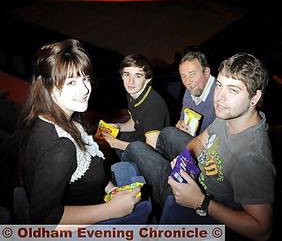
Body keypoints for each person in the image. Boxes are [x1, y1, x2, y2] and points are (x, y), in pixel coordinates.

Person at [124, 53, 276, 241]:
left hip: (206, 207)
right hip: (199, 175)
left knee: (136, 149)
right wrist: (183, 159)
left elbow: (261, 230)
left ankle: (160, 213)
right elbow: (200, 140)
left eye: (233, 90)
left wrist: (201, 202)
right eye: (219, 85)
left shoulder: (251, 158)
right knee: (168, 133)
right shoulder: (229, 116)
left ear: (255, 97)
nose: (219, 97)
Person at [19, 39, 140, 225]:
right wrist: (112, 210)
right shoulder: (60, 148)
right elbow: (44, 218)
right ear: (48, 87)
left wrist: (112, 190)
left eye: (85, 79)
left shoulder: (51, 115)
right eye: (71, 82)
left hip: (99, 197)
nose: (84, 89)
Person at [102, 53, 170, 155]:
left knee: (114, 150)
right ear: (122, 76)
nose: (130, 81)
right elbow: (135, 123)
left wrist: (116, 143)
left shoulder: (154, 107)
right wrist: (118, 126)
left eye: (138, 76)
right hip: (139, 137)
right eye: (127, 74)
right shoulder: (133, 93)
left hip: (153, 155)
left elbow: (151, 149)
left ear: (147, 80)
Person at [156, 49, 216, 161]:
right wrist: (180, 126)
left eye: (192, 74)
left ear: (206, 72)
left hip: (211, 154)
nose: (188, 81)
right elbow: (183, 120)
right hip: (192, 144)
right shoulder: (190, 91)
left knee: (168, 134)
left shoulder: (220, 94)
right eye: (183, 76)